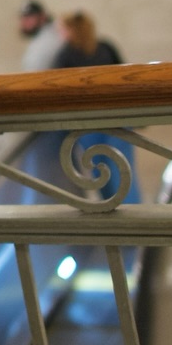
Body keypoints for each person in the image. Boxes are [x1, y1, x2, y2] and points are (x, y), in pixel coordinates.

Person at [50, 11, 139, 204]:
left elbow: (59, 91)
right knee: (124, 168)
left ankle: (111, 209)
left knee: (100, 168)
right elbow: (125, 77)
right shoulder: (106, 47)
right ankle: (133, 209)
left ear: (70, 30)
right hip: (119, 117)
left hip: (88, 123)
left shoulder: (65, 56)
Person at [18, 0, 63, 72]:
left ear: (42, 17)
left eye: (30, 17)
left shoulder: (51, 37)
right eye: (23, 17)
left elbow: (35, 71)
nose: (25, 22)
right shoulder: (40, 38)